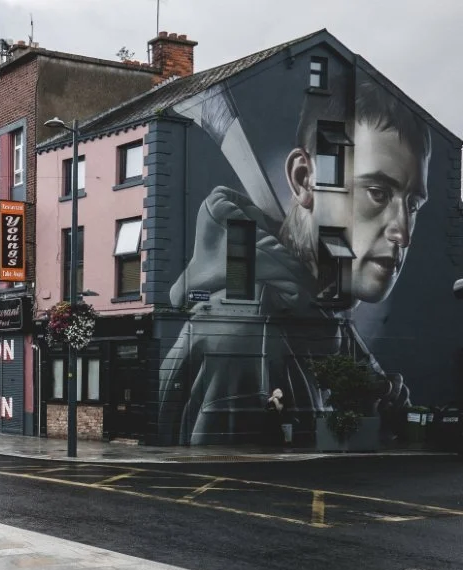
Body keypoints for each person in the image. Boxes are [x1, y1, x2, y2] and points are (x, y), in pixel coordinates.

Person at [159, 78, 431, 445]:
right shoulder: (245, 340)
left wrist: (383, 401)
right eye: (378, 193)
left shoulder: (324, 320)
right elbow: (229, 473)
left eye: (413, 204)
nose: (403, 233)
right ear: (304, 179)